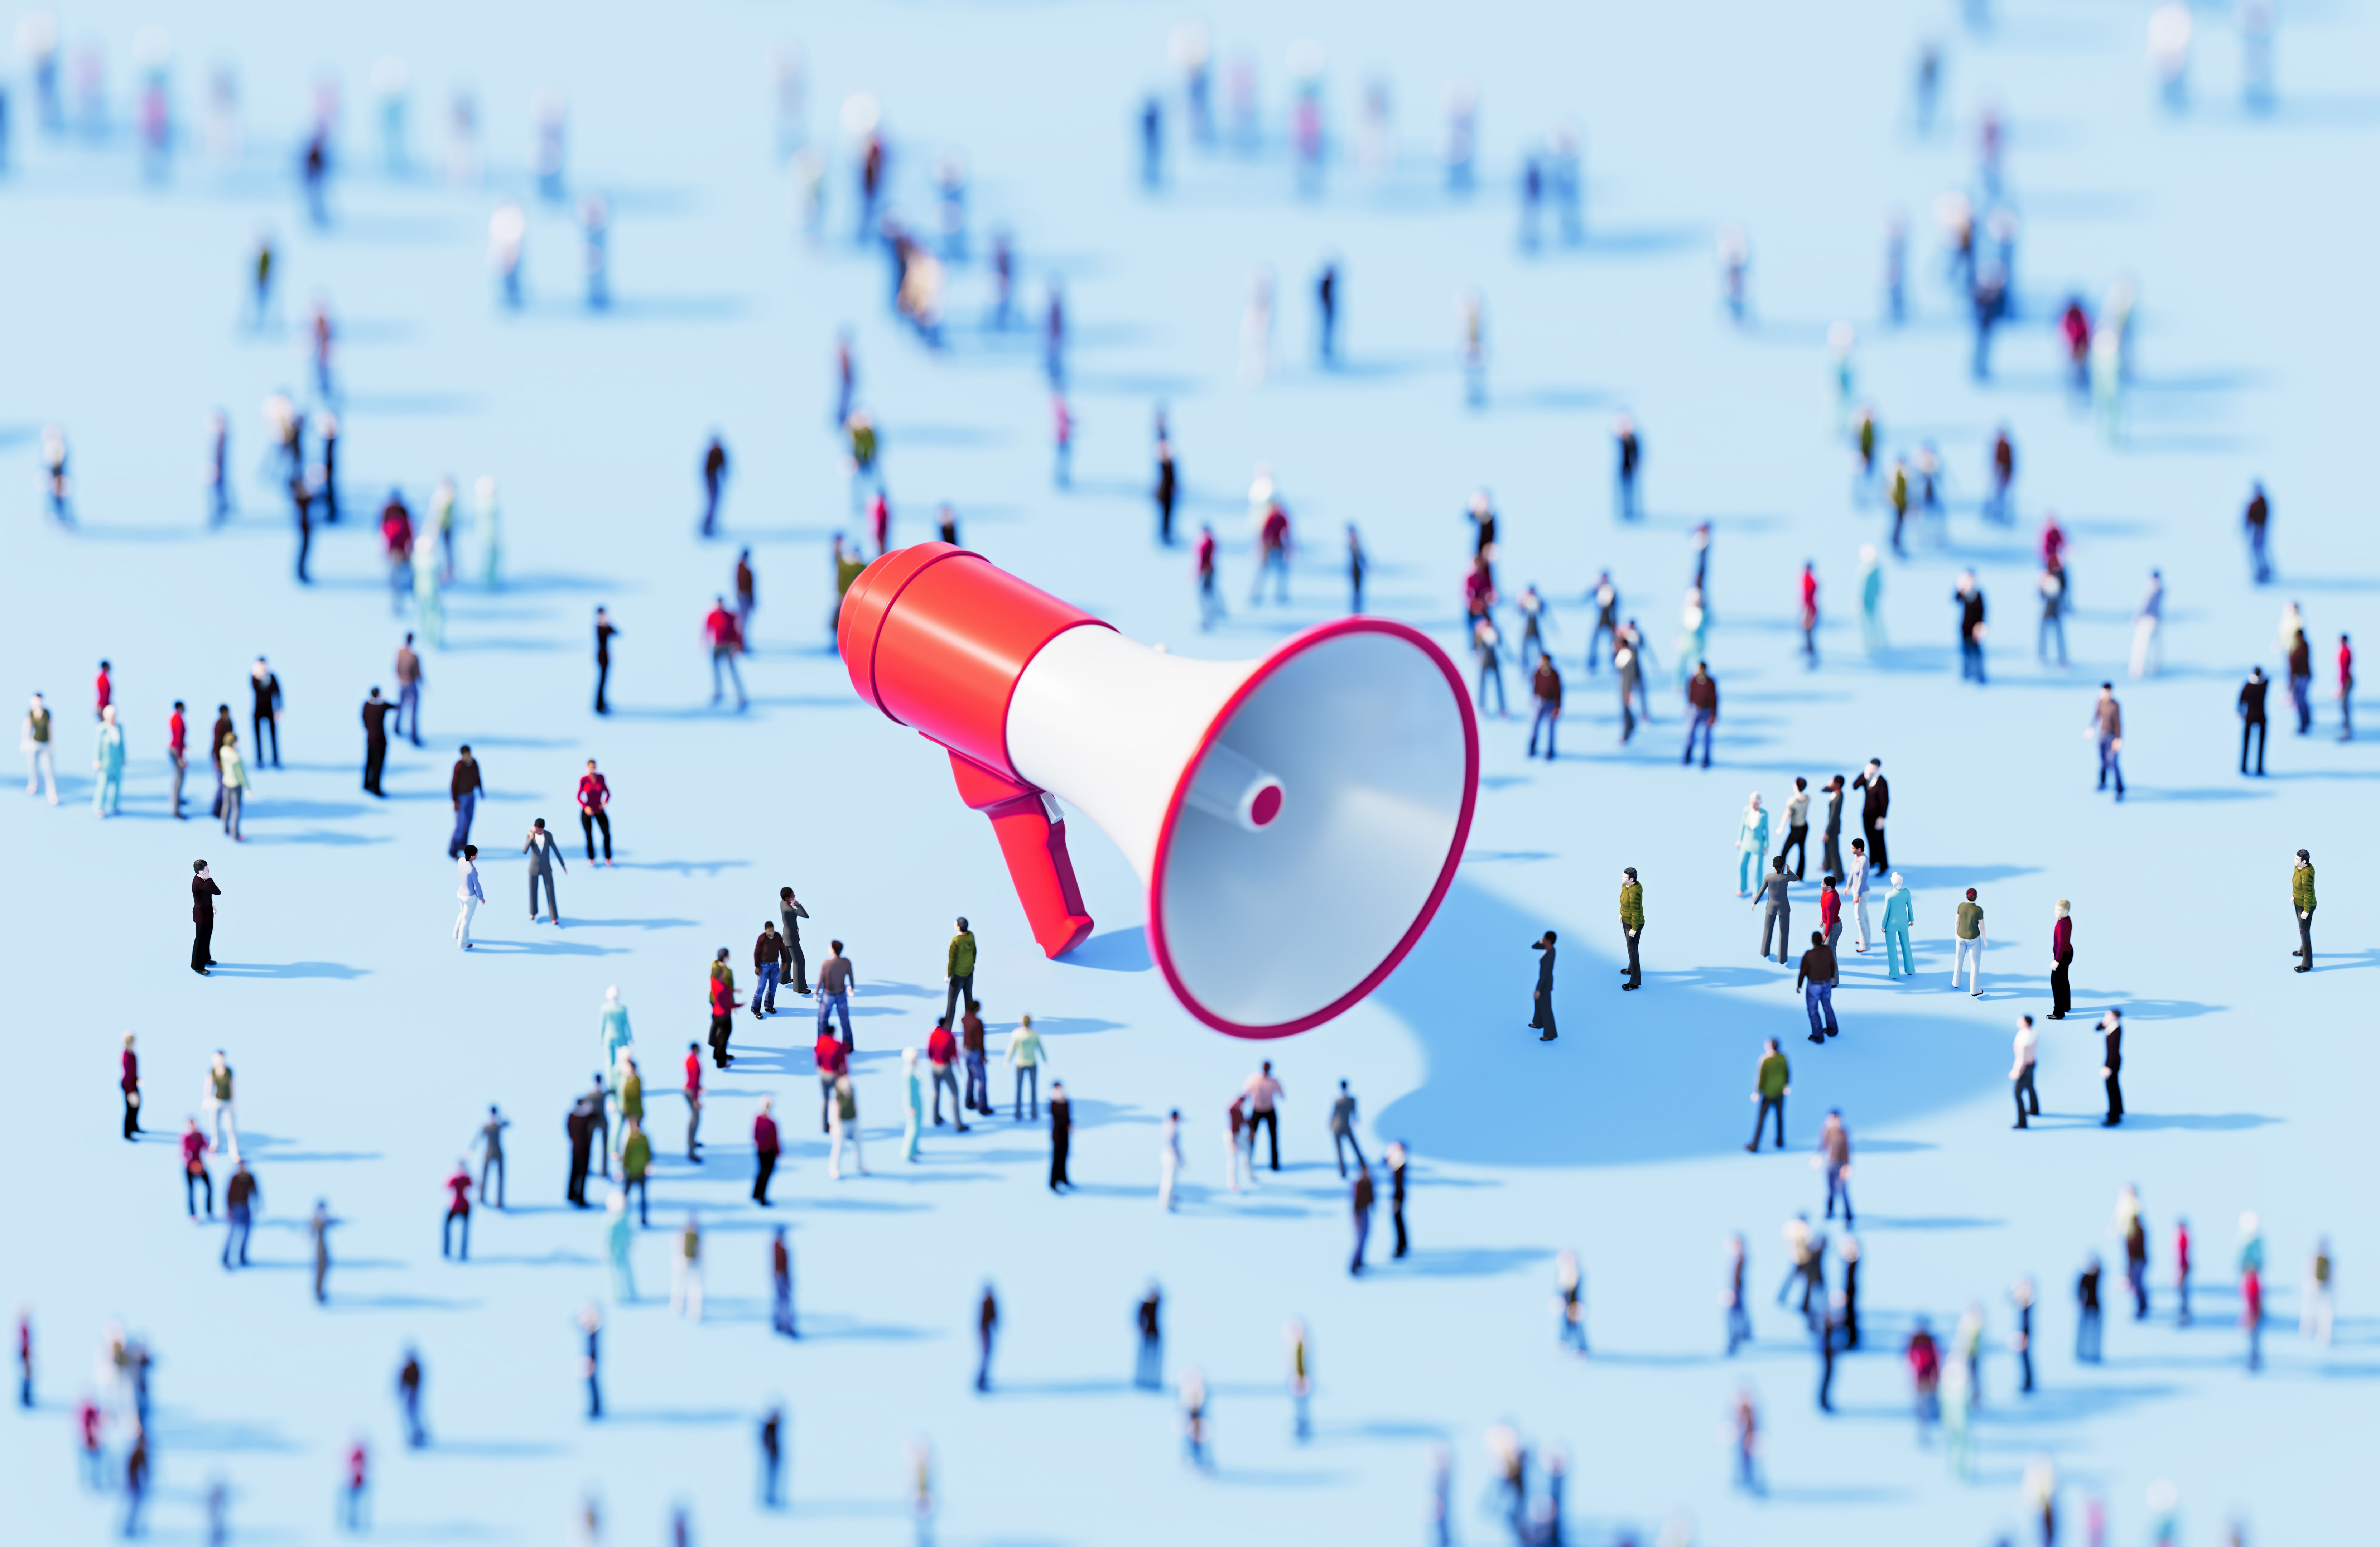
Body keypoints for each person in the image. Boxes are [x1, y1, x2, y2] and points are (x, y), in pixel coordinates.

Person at [1797, 931, 1839, 1042]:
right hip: (1827, 984)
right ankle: (1833, 1030)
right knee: (1827, 1006)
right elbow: (1832, 964)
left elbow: (1803, 972)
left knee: (1813, 1011)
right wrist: (1831, 977)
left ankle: (1818, 1036)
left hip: (1814, 986)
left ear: (1812, 941)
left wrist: (1799, 986)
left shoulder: (1809, 955)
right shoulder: (1827, 951)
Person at [1748, 1039, 1788, 1150]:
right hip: (1780, 1093)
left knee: (1761, 1120)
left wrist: (1757, 1092)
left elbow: (1760, 1077)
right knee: (1780, 1117)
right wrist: (1786, 1085)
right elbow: (1787, 1072)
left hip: (1768, 1095)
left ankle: (1755, 1145)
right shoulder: (1783, 1058)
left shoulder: (1765, 1060)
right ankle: (1780, 1141)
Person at [1852, 758, 1889, 870]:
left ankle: (1884, 865)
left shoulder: (1882, 782)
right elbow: (1855, 786)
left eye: (1874, 769)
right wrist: (1865, 774)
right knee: (1870, 840)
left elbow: (1885, 800)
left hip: (1877, 817)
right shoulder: (1867, 778)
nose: (1872, 771)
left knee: (1880, 841)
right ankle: (1874, 860)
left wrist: (1883, 817)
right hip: (1866, 815)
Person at [222, 1158, 260, 1269]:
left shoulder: (250, 1178)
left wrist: (257, 1204)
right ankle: (226, 1258)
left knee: (247, 1233)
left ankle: (242, 1256)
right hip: (236, 1208)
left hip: (246, 1207)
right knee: (233, 1233)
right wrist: (229, 1210)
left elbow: (256, 1191)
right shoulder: (234, 1178)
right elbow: (228, 1194)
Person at [1816, 1109, 1853, 1222]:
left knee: (1843, 1190)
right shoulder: (1826, 1131)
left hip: (1841, 1165)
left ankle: (1849, 1216)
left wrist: (1847, 1166)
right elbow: (1822, 1145)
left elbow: (1847, 1150)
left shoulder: (1844, 1133)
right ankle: (1830, 1211)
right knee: (1830, 1190)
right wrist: (1818, 1156)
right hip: (1830, 1165)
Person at [816, 939, 855, 1046]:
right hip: (842, 994)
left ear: (833, 950)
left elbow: (821, 980)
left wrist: (816, 993)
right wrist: (852, 988)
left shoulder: (827, 964)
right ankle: (849, 1046)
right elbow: (851, 977)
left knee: (822, 1021)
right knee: (845, 1021)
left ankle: (822, 1044)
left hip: (828, 995)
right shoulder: (846, 962)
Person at [1755, 857, 1792, 965]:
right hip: (1784, 908)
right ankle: (1782, 959)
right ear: (1784, 867)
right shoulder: (1786, 878)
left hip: (1771, 908)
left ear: (1773, 866)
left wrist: (1755, 902)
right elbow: (1796, 879)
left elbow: (1761, 891)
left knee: (1767, 930)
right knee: (1784, 933)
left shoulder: (1768, 877)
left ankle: (1765, 952)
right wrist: (1790, 872)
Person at [21, 692, 58, 804]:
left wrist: (52, 744)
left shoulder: (47, 713)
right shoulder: (31, 713)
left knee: (48, 769)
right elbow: (27, 727)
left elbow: (50, 729)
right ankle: (34, 785)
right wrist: (24, 741)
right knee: (32, 765)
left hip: (45, 745)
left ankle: (52, 794)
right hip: (34, 743)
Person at [828, 1073, 866, 1179]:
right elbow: (833, 1110)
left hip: (853, 1121)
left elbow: (855, 1104)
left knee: (858, 1145)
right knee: (838, 1146)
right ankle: (834, 1169)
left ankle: (860, 1166)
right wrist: (834, 1126)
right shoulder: (836, 1093)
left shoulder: (852, 1089)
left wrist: (857, 1118)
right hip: (842, 1123)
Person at [203, 1049, 240, 1158]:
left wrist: (234, 1102)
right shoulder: (212, 1071)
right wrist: (206, 1100)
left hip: (227, 1102)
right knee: (214, 1124)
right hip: (216, 1101)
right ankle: (215, 1145)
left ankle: (234, 1151)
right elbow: (208, 1086)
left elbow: (233, 1087)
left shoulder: (229, 1071)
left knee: (231, 1127)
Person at [2091, 682, 2125, 800]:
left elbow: (2119, 724)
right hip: (2102, 736)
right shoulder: (2100, 702)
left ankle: (2120, 790)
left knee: (2114, 764)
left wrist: (2119, 739)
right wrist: (2091, 728)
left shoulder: (2115, 706)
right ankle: (2103, 782)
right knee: (2103, 761)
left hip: (2112, 737)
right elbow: (2096, 716)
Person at [447, 746, 482, 858]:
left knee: (469, 821)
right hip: (461, 799)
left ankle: (463, 845)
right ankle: (453, 849)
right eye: (465, 755)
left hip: (471, 796)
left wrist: (481, 789)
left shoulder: (475, 764)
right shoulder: (459, 766)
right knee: (460, 824)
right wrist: (455, 800)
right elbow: (453, 784)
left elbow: (478, 777)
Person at [90, 705, 124, 816]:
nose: (114, 718)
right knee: (103, 784)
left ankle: (114, 805)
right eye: (112, 716)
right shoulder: (102, 729)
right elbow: (97, 746)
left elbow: (122, 744)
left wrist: (123, 757)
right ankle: (98, 807)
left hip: (117, 761)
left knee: (117, 784)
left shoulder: (120, 727)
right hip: (105, 762)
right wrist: (97, 760)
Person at [1735, 792, 1771, 897]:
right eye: (1752, 802)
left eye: (1756, 803)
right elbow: (1742, 826)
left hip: (1758, 845)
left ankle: (1757, 891)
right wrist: (1739, 840)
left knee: (1757, 868)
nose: (1753, 805)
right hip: (1746, 844)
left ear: (1759, 803)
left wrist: (1766, 846)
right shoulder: (1746, 811)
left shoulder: (1764, 814)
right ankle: (1741, 887)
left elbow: (1766, 831)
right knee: (1741, 865)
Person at [2130, 570, 2165, 679]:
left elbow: (2145, 605)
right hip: (2152, 620)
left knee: (2143, 646)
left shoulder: (2153, 590)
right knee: (2147, 647)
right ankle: (2140, 670)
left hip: (2148, 621)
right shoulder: (2158, 590)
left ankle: (2140, 671)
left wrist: (2138, 617)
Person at [1327, 1080, 1366, 1177]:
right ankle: (1361, 1167)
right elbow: (1354, 1114)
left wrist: (1331, 1124)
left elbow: (1334, 1115)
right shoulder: (1350, 1100)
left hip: (1340, 1127)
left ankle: (1349, 1171)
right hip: (1342, 1126)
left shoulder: (1341, 1101)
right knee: (1349, 1149)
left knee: (1343, 1150)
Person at [1682, 661, 1718, 767]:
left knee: (1706, 736)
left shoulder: (1710, 683)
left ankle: (1706, 758)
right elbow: (1690, 694)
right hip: (1695, 710)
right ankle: (1688, 755)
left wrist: (1714, 714)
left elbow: (1715, 699)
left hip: (1707, 711)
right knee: (1690, 733)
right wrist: (1689, 706)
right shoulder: (1693, 681)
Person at [249, 658, 283, 768]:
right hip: (258, 711)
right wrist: (259, 677)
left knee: (273, 736)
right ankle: (259, 760)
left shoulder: (272, 677)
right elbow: (256, 689)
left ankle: (276, 760)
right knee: (258, 737)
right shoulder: (254, 678)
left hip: (270, 710)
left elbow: (278, 693)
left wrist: (279, 709)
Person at [1879, 871, 1913, 978]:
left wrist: (1883, 925)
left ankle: (1894, 973)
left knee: (1892, 949)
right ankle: (1910, 969)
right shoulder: (1907, 892)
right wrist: (1911, 920)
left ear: (1892, 883)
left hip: (1891, 925)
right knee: (1906, 946)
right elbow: (1910, 907)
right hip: (1904, 924)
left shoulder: (1889, 896)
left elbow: (1886, 912)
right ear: (1902, 882)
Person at [1526, 655, 1561, 760]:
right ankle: (1532, 747)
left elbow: (1559, 692)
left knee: (1551, 728)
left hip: (1551, 703)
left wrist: (1558, 707)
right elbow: (1535, 685)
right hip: (1540, 702)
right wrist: (1534, 697)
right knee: (1535, 725)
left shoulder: (1554, 675)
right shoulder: (1538, 673)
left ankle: (1550, 751)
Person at [778, 888, 812, 995]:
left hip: (787, 934)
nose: (795, 897)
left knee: (787, 959)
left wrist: (794, 925)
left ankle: (783, 979)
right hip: (792, 938)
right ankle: (800, 987)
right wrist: (798, 904)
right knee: (800, 961)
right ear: (787, 898)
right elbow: (805, 915)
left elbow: (789, 918)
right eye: (793, 896)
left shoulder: (782, 903)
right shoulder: (790, 909)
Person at [1954, 571, 1986, 681]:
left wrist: (1981, 625)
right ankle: (1967, 672)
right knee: (1966, 651)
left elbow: (1983, 611)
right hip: (1965, 628)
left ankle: (1980, 674)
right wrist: (1961, 588)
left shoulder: (1978, 595)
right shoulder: (1964, 594)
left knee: (1977, 652)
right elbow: (1956, 599)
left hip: (1976, 630)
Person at [1953, 887, 1986, 996]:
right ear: (1976, 897)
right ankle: (1974, 990)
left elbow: (1957, 921)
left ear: (1967, 896)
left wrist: (1956, 934)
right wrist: (1985, 940)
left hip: (1960, 937)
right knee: (1975, 964)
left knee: (1958, 960)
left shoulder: (1961, 906)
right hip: (1974, 939)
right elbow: (1982, 927)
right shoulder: (1979, 910)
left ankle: (1956, 982)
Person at [577, 761, 612, 864]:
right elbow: (578, 796)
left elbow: (608, 793)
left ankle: (608, 858)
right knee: (589, 835)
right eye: (592, 767)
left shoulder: (601, 778)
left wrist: (605, 802)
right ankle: (592, 858)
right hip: (588, 811)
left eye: (595, 767)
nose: (594, 769)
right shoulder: (584, 780)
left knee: (607, 834)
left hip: (599, 810)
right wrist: (585, 807)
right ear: (587, 768)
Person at [2010, 1015, 2041, 1127]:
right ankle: (2035, 1109)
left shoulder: (2024, 1038)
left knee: (2017, 1094)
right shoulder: (2033, 1032)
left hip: (2024, 1066)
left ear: (2026, 1023)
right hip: (2032, 1063)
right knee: (2030, 1086)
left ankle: (2022, 1122)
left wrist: (2017, 1071)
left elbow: (2022, 1057)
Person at [671, 1215, 703, 1321]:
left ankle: (693, 1311)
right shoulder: (684, 1235)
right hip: (685, 1262)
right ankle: (678, 1306)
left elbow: (699, 1250)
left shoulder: (695, 1236)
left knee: (694, 1287)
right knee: (682, 1285)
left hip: (691, 1263)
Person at [361, 689, 392, 796]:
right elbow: (393, 706)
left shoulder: (367, 705)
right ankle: (376, 788)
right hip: (380, 740)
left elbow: (363, 718)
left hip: (370, 738)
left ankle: (366, 784)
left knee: (369, 762)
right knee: (378, 765)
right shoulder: (381, 706)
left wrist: (367, 729)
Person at [218, 731, 249, 840]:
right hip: (236, 785)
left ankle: (225, 828)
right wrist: (248, 788)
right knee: (236, 809)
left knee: (226, 805)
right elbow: (241, 775)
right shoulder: (236, 758)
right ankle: (235, 834)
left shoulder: (223, 751)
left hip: (226, 782)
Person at [476, 1106, 509, 1208]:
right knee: (486, 1176)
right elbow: (479, 1137)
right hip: (491, 1152)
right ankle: (482, 1198)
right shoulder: (489, 1125)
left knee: (499, 1177)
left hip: (496, 1152)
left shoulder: (495, 1124)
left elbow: (508, 1124)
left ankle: (499, 1202)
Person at [2097, 1009, 2125, 1126]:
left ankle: (2114, 1117)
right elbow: (2097, 1028)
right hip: (2113, 1062)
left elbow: (2112, 1052)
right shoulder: (2111, 1027)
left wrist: (2108, 1067)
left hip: (2113, 1063)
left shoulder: (2116, 1030)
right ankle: (2118, 1110)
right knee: (2114, 1086)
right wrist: (2105, 1021)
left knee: (2112, 1089)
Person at [1618, 867, 1644, 989]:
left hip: (1633, 924)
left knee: (1633, 950)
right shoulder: (1626, 886)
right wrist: (1622, 914)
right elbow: (1624, 902)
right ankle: (1631, 969)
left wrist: (1634, 928)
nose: (1622, 878)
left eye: (1624, 877)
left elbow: (1636, 912)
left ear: (1632, 880)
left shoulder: (1635, 892)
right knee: (1631, 949)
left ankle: (1635, 982)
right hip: (1626, 920)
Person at [453, 844, 483, 949]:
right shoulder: (472, 870)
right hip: (470, 897)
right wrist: (481, 897)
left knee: (462, 914)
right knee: (466, 922)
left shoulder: (461, 860)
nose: (477, 855)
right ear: (472, 857)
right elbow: (477, 886)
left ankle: (456, 934)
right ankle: (463, 944)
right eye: (476, 854)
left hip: (460, 892)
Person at [1529, 930, 1558, 1040]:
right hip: (1544, 981)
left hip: (1545, 983)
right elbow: (1534, 947)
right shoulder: (1548, 949)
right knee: (1538, 1003)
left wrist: (1538, 989)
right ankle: (1538, 1023)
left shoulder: (1550, 954)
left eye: (1545, 938)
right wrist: (1540, 941)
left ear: (1549, 941)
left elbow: (1544, 974)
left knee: (1546, 1008)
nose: (1543, 939)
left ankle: (1550, 1034)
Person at [1780, 779, 1811, 879]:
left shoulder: (1792, 801)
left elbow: (1787, 816)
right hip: (1804, 827)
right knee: (1802, 851)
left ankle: (1780, 875)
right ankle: (1800, 875)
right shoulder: (1807, 798)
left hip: (1796, 830)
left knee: (1784, 852)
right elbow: (1806, 812)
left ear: (1796, 787)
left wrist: (1781, 828)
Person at [442, 1158, 472, 1259]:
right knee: (462, 1230)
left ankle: (453, 1252)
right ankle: (451, 1252)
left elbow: (445, 1186)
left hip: (458, 1206)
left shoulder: (457, 1178)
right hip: (459, 1206)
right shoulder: (465, 1178)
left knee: (462, 1230)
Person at [182, 1118, 213, 1217]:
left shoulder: (200, 1136)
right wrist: (192, 1164)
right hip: (189, 1168)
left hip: (201, 1165)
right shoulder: (186, 1138)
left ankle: (209, 1211)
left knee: (209, 1188)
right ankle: (193, 1215)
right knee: (191, 1190)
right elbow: (184, 1154)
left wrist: (211, 1153)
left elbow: (207, 1147)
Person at [752, 1098, 781, 1204]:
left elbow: (755, 1135)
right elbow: (774, 1140)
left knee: (761, 1172)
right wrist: (778, 1152)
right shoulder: (771, 1123)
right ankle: (761, 1197)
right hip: (768, 1152)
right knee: (766, 1173)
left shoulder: (758, 1119)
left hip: (760, 1150)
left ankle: (756, 1194)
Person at [2076, 1257, 2104, 1362]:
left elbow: (2102, 1270)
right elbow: (2078, 1292)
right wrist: (2080, 1302)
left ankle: (2095, 1354)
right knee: (2084, 1332)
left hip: (2096, 1307)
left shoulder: (2097, 1276)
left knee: (2095, 1333)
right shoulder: (2084, 1277)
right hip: (2086, 1308)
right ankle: (2081, 1353)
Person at [771, 1226, 796, 1338]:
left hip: (781, 1277)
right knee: (784, 1302)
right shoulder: (779, 1247)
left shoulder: (778, 1246)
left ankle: (782, 1324)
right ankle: (785, 1325)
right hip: (782, 1277)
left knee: (782, 1301)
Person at [1350, 1164, 1376, 1274]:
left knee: (1365, 1237)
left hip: (1365, 1212)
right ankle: (1354, 1265)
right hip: (1360, 1213)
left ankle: (1360, 1261)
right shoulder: (1359, 1184)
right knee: (1360, 1239)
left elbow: (1371, 1198)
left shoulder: (1368, 1184)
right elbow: (1356, 1203)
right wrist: (1357, 1218)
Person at [2293, 848, 2316, 970]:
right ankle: (2303, 951)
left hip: (2305, 906)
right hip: (2298, 902)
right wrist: (2294, 896)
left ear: (2305, 862)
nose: (2295, 861)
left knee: (2305, 932)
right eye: (2295, 858)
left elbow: (2308, 893)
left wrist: (2307, 910)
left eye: (2297, 859)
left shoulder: (2307, 874)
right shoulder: (2298, 867)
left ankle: (2307, 964)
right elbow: (2297, 885)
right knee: (2303, 930)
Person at [592, 607, 617, 715]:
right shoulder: (600, 627)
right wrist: (606, 624)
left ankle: (602, 703)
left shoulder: (603, 626)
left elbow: (616, 632)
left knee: (604, 681)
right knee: (601, 682)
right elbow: (611, 632)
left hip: (605, 658)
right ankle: (599, 706)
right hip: (602, 658)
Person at [1048, 1080, 1073, 1191]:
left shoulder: (1067, 1102)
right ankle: (1053, 1183)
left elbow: (1068, 1117)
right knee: (1057, 1159)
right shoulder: (1054, 1104)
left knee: (1065, 1157)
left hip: (1066, 1134)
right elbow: (1059, 1119)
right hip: (1058, 1135)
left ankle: (1064, 1179)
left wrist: (1071, 1126)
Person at [974, 1283, 998, 1392]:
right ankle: (980, 1381)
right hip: (985, 1331)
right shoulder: (987, 1302)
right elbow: (985, 1319)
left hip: (987, 1331)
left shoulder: (990, 1302)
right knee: (985, 1355)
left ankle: (983, 1379)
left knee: (987, 1355)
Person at [2341, 632, 2357, 741]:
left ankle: (2347, 732)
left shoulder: (2346, 652)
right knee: (2344, 707)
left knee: (2345, 707)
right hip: (2347, 681)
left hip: (2347, 681)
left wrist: (2342, 686)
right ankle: (2346, 729)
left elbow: (2344, 670)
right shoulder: (2346, 651)